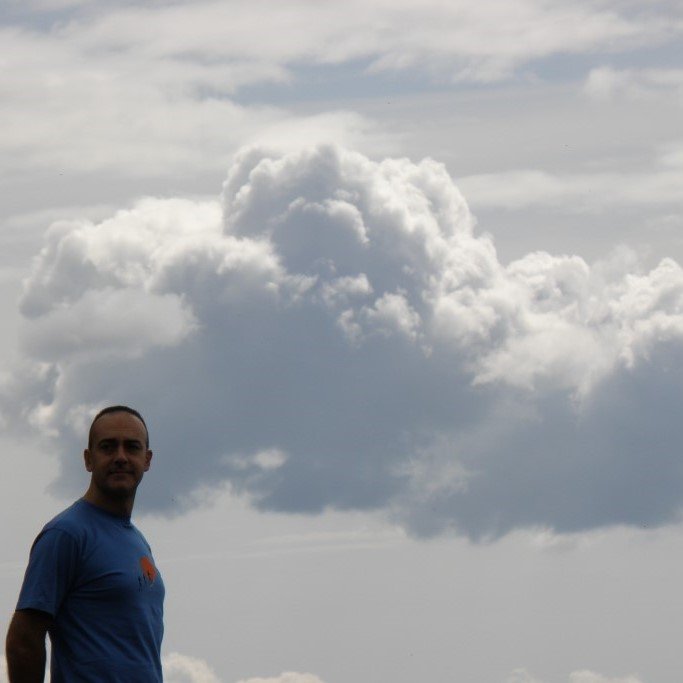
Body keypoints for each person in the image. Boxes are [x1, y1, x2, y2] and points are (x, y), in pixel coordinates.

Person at [5, 405, 165, 682]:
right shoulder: (66, 534)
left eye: (132, 447)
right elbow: (23, 640)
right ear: (88, 459)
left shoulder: (138, 541)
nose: (120, 457)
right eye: (108, 447)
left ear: (147, 460)